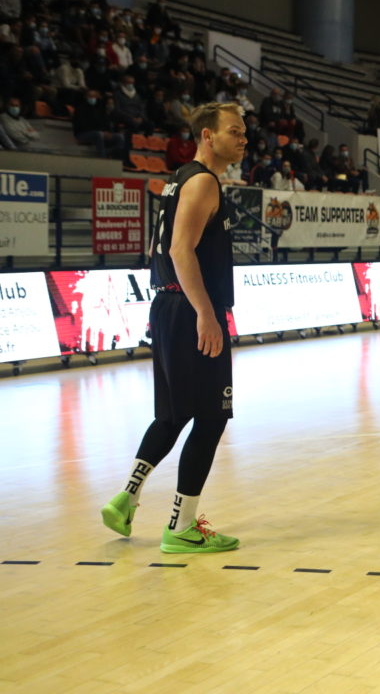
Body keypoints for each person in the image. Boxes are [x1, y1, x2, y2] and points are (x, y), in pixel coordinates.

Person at [99, 101, 246, 553]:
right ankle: (181, 526)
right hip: (189, 308)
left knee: (173, 414)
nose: (243, 138)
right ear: (208, 136)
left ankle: (126, 498)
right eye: (234, 131)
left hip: (167, 306)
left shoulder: (179, 178)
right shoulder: (203, 182)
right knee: (212, 416)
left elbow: (159, 248)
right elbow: (181, 250)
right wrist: (205, 312)